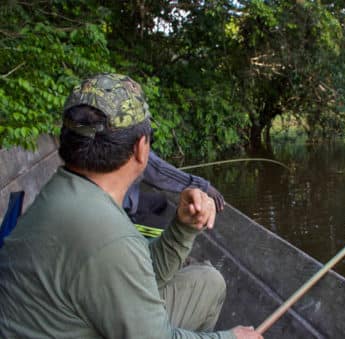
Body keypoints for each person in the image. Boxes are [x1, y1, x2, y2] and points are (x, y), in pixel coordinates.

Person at [0, 73, 262, 339]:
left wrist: (182, 228)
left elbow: (139, 272)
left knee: (208, 282)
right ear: (141, 148)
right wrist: (231, 338)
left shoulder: (63, 191)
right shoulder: (108, 236)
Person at [124, 150, 225, 229]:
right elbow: (156, 170)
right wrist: (202, 186)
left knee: (161, 200)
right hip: (118, 213)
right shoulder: (133, 143)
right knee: (170, 231)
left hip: (125, 196)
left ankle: (133, 203)